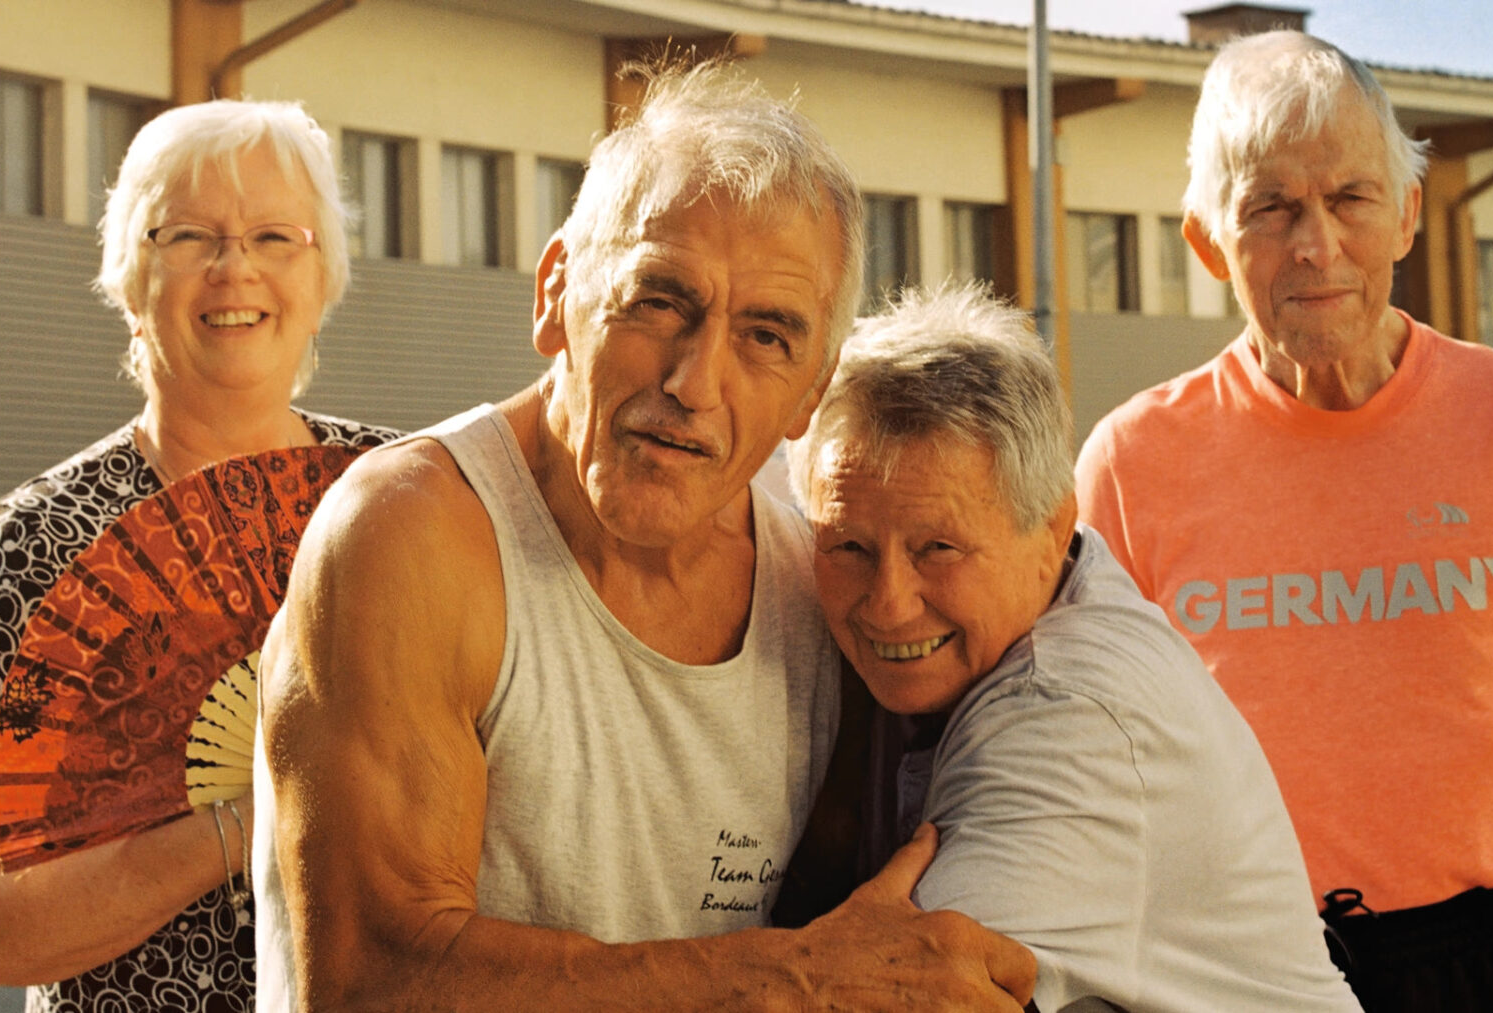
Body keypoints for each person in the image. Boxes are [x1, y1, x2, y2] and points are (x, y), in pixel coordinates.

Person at [251, 64, 1035, 1012]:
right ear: (555, 293)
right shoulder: (408, 537)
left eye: (767, 335)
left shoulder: (815, 588)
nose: (696, 381)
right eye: (660, 300)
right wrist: (790, 981)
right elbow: (375, 981)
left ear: (811, 392)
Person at [1074, 29, 1493, 1013]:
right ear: (1207, 239)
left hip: (1487, 956)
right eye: (1270, 206)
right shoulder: (1131, 462)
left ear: (1407, 214)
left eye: (1351, 196)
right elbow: (1085, 766)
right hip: (1230, 965)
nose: (1318, 243)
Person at [0, 99, 398, 1011]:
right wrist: (244, 818)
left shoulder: (398, 498)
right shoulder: (41, 539)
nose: (235, 268)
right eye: (187, 236)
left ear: (324, 275)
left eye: (274, 235)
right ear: (131, 280)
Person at [787, 284, 1362, 1013]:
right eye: (850, 547)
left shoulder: (1066, 711)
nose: (888, 602)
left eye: (938, 548)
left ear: (1053, 531)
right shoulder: (1030, 604)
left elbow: (892, 994)